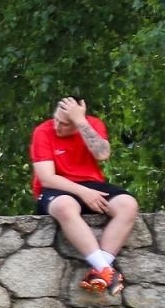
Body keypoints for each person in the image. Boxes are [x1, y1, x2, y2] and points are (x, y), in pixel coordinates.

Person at [31, 96, 138, 295]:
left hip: (91, 183)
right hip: (56, 187)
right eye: (56, 119)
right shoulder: (42, 131)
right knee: (65, 206)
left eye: (65, 123)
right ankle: (106, 270)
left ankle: (100, 271)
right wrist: (83, 192)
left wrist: (81, 122)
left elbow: (102, 154)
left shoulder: (91, 125)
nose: (57, 127)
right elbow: (47, 178)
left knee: (128, 205)